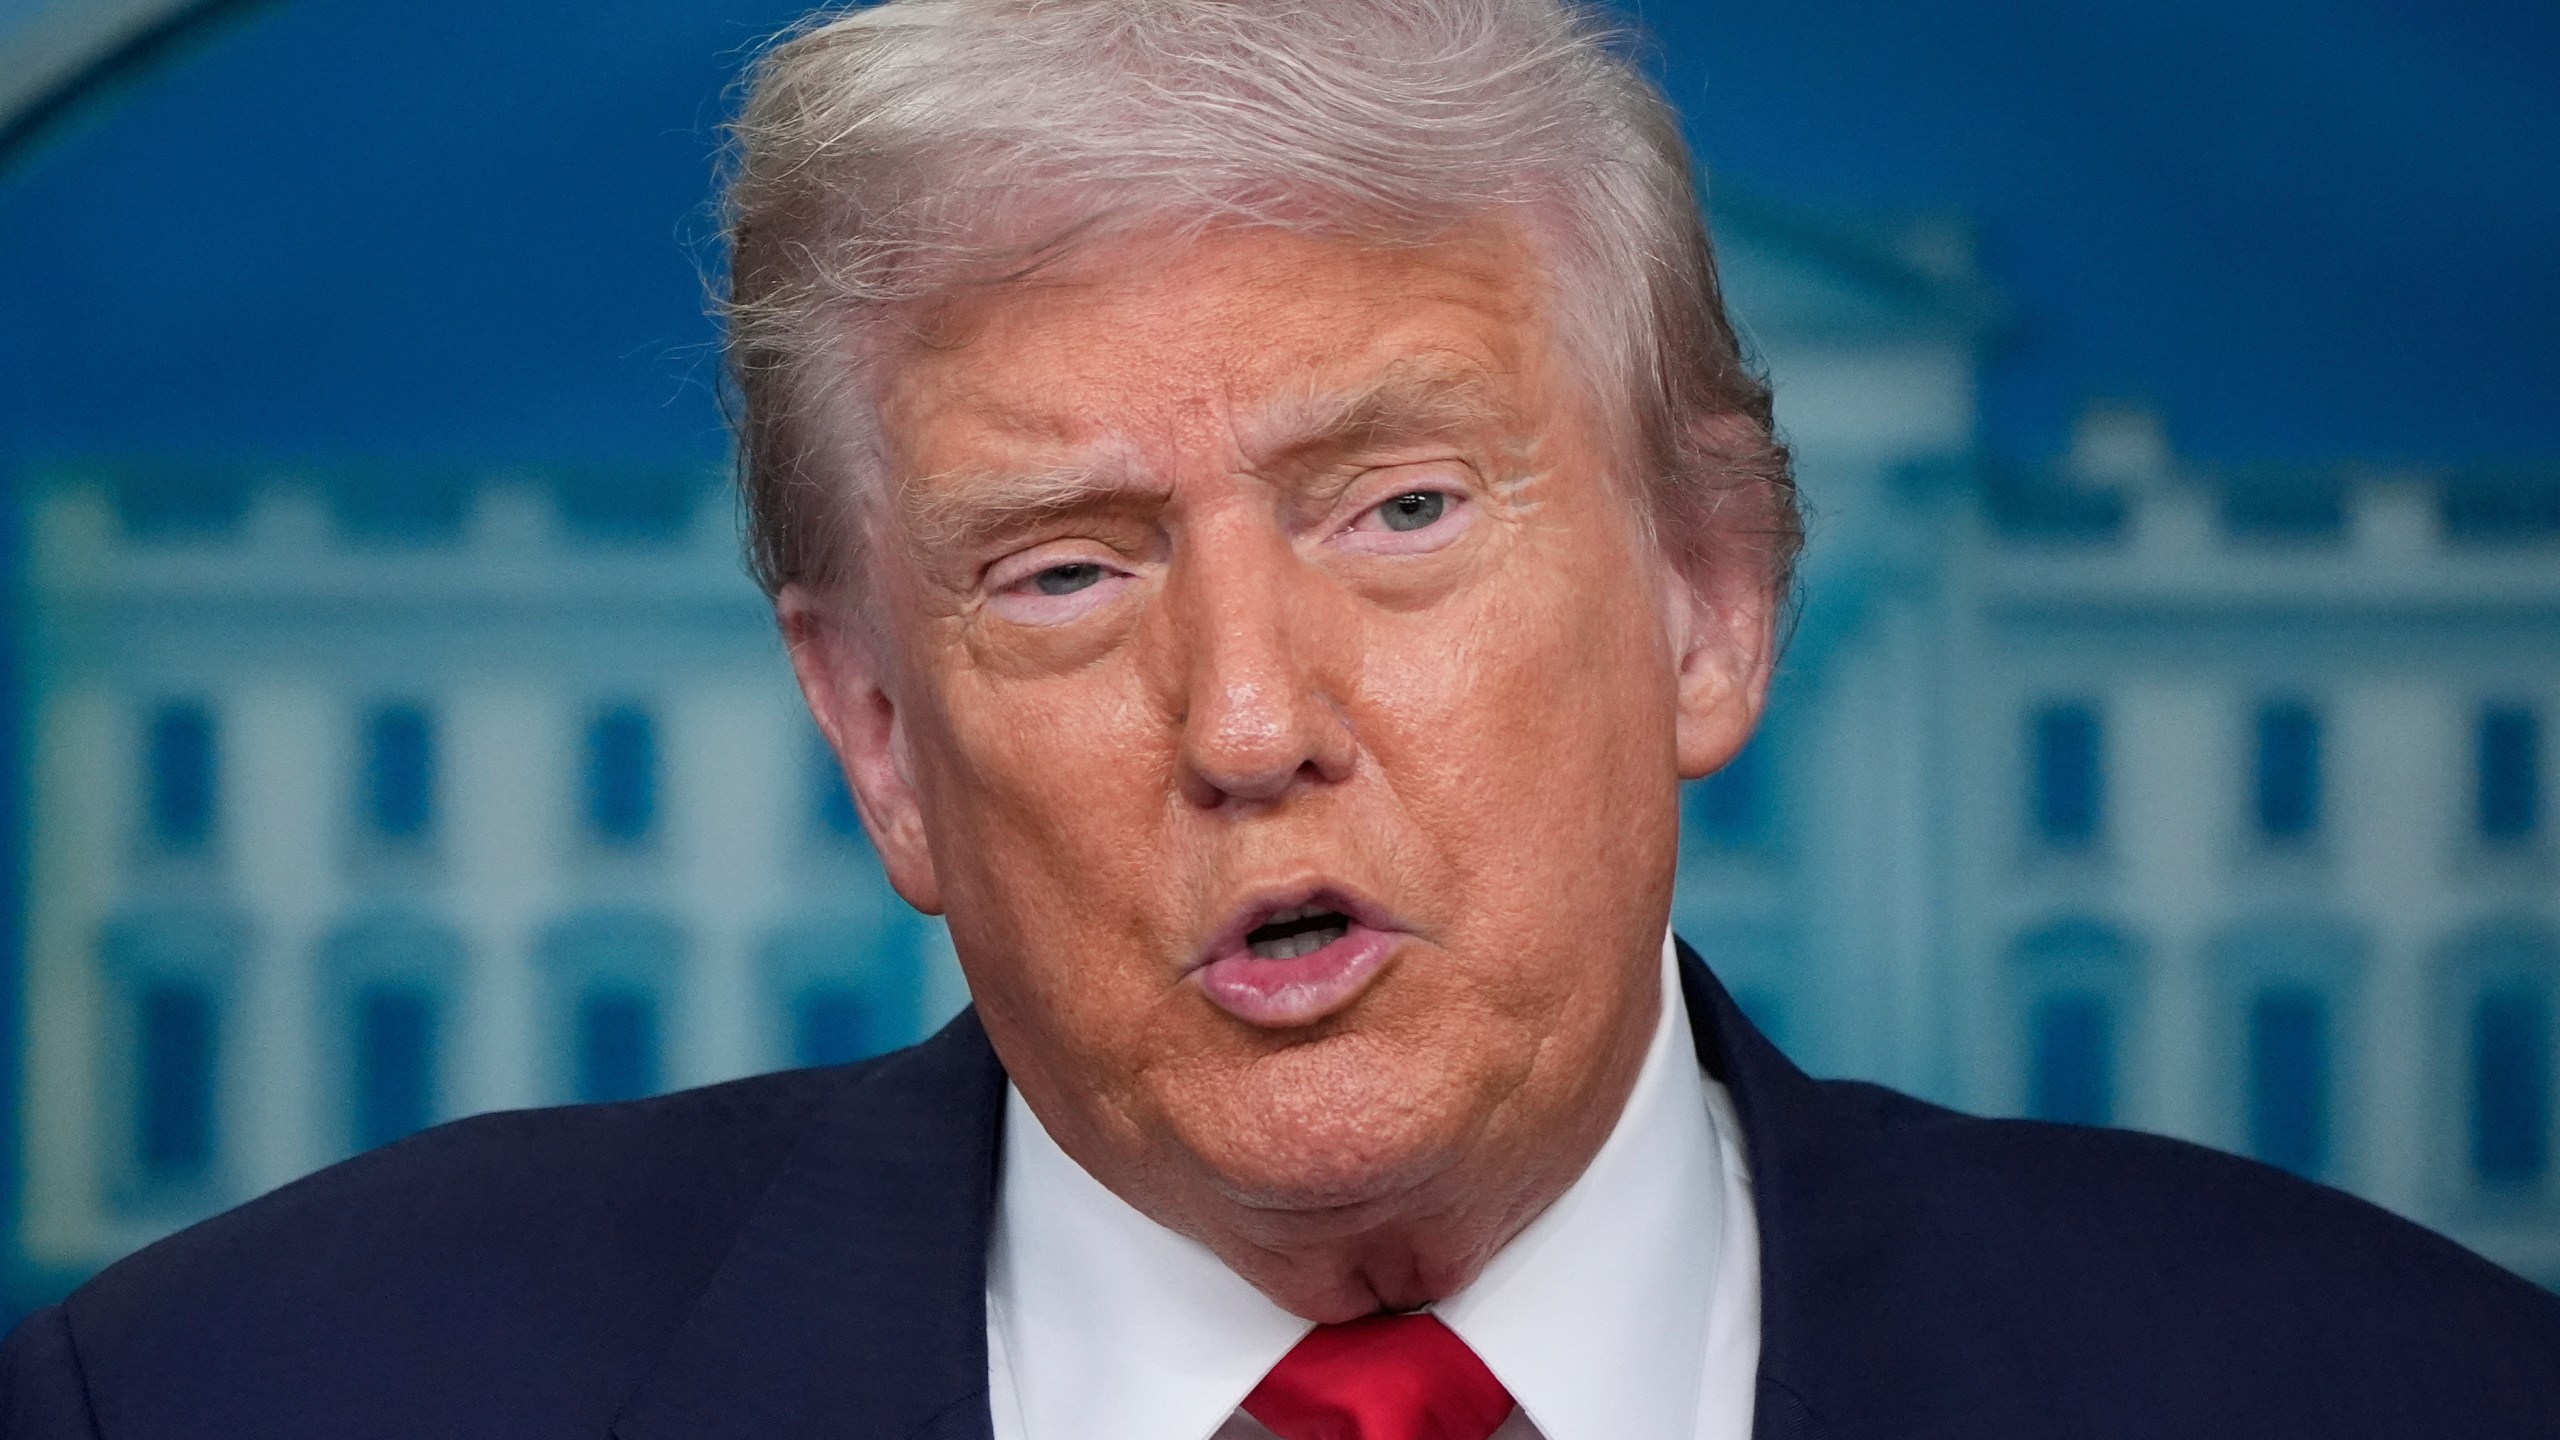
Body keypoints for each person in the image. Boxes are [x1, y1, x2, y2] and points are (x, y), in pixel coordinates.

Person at [7, 0, 2558, 1436]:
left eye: (1402, 512)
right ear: (876, 733)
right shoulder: (236, 1399)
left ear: (1711, 597)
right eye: (1064, 569)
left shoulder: (2402, 1403)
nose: (1245, 720)